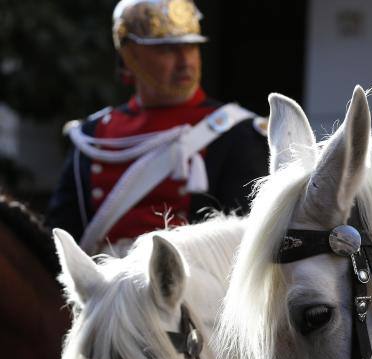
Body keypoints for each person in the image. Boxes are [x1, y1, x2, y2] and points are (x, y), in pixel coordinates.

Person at [46, 0, 269, 254]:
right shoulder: (91, 136)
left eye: (192, 46)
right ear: (129, 55)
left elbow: (246, 244)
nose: (185, 61)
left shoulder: (237, 132)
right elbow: (58, 242)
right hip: (101, 289)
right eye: (167, 49)